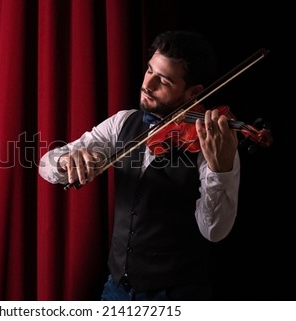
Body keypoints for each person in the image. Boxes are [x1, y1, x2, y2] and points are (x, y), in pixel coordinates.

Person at [38, 30, 240, 300]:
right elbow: (46, 163)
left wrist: (219, 171)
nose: (148, 84)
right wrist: (65, 160)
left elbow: (215, 231)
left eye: (164, 81)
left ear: (193, 92)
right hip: (116, 289)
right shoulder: (123, 122)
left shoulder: (215, 145)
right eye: (149, 71)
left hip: (176, 295)